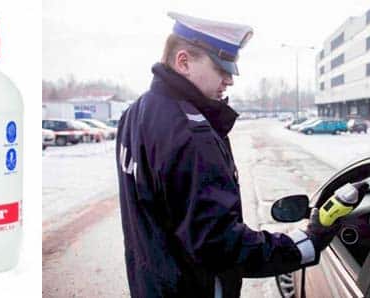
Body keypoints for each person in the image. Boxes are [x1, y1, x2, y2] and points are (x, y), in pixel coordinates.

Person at [115, 12, 339, 298]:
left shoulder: (136, 113)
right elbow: (219, 244)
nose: (230, 80)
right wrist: (304, 244)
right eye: (222, 68)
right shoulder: (191, 133)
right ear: (183, 62)